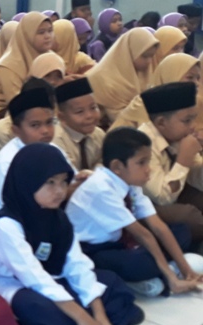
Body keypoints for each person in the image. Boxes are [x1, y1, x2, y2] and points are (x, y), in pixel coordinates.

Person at [0, 143, 145, 325]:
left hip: (51, 277)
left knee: (110, 281)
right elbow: (33, 277)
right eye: (50, 182)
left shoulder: (57, 217)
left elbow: (76, 263)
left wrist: (99, 313)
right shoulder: (5, 225)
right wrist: (82, 317)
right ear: (27, 181)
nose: (60, 191)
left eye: (64, 182)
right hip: (12, 284)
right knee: (38, 307)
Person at [67, 127, 203, 297]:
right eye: (141, 163)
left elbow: (158, 226)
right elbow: (143, 235)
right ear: (117, 166)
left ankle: (159, 272)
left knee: (181, 231)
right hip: (92, 251)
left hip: (121, 243)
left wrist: (187, 271)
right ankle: (159, 274)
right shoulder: (100, 188)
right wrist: (172, 280)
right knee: (136, 263)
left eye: (148, 162)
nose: (148, 169)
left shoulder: (129, 181)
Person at [137, 82, 203, 240]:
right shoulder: (142, 144)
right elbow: (162, 197)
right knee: (190, 219)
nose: (193, 126)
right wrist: (183, 160)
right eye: (187, 121)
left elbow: (195, 180)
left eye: (194, 119)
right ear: (161, 122)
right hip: (144, 204)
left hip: (175, 193)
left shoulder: (178, 135)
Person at [0, 86, 56, 213]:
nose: (45, 130)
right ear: (16, 130)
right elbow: (18, 206)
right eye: (35, 125)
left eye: (49, 122)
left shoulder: (53, 148)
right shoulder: (7, 163)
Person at [0, 12, 53, 121]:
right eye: (41, 32)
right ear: (27, 35)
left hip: (39, 111)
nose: (48, 36)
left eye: (50, 30)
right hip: (2, 116)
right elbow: (18, 103)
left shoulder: (50, 57)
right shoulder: (7, 66)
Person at [111, 53, 200, 131]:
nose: (196, 83)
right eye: (190, 78)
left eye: (198, 78)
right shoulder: (143, 106)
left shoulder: (191, 104)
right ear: (170, 76)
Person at [87, 28, 159, 124]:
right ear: (129, 52)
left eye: (151, 56)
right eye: (144, 56)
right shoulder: (100, 77)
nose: (149, 61)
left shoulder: (144, 73)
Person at [52, 78, 105, 172]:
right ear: (62, 117)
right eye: (79, 112)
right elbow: (68, 174)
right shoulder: (56, 141)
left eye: (93, 108)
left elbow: (105, 162)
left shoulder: (99, 134)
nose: (89, 116)